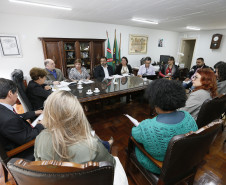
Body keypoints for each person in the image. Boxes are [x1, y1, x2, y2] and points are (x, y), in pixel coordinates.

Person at [34, 90, 128, 185]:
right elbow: (111, 166)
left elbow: (39, 166)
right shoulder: (92, 145)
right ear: (78, 113)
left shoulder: (40, 139)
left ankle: (107, 143)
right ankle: (108, 144)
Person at [131, 79, 198, 174]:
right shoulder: (188, 117)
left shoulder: (148, 126)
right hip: (183, 162)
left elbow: (134, 133)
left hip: (159, 166)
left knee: (134, 142)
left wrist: (141, 127)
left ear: (155, 102)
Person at [0, 78, 44, 160]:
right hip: (23, 152)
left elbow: (17, 116)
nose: (17, 96)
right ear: (10, 93)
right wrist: (41, 124)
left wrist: (34, 112)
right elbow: (28, 139)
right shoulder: (9, 119)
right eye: (16, 93)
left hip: (17, 139)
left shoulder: (3, 110)